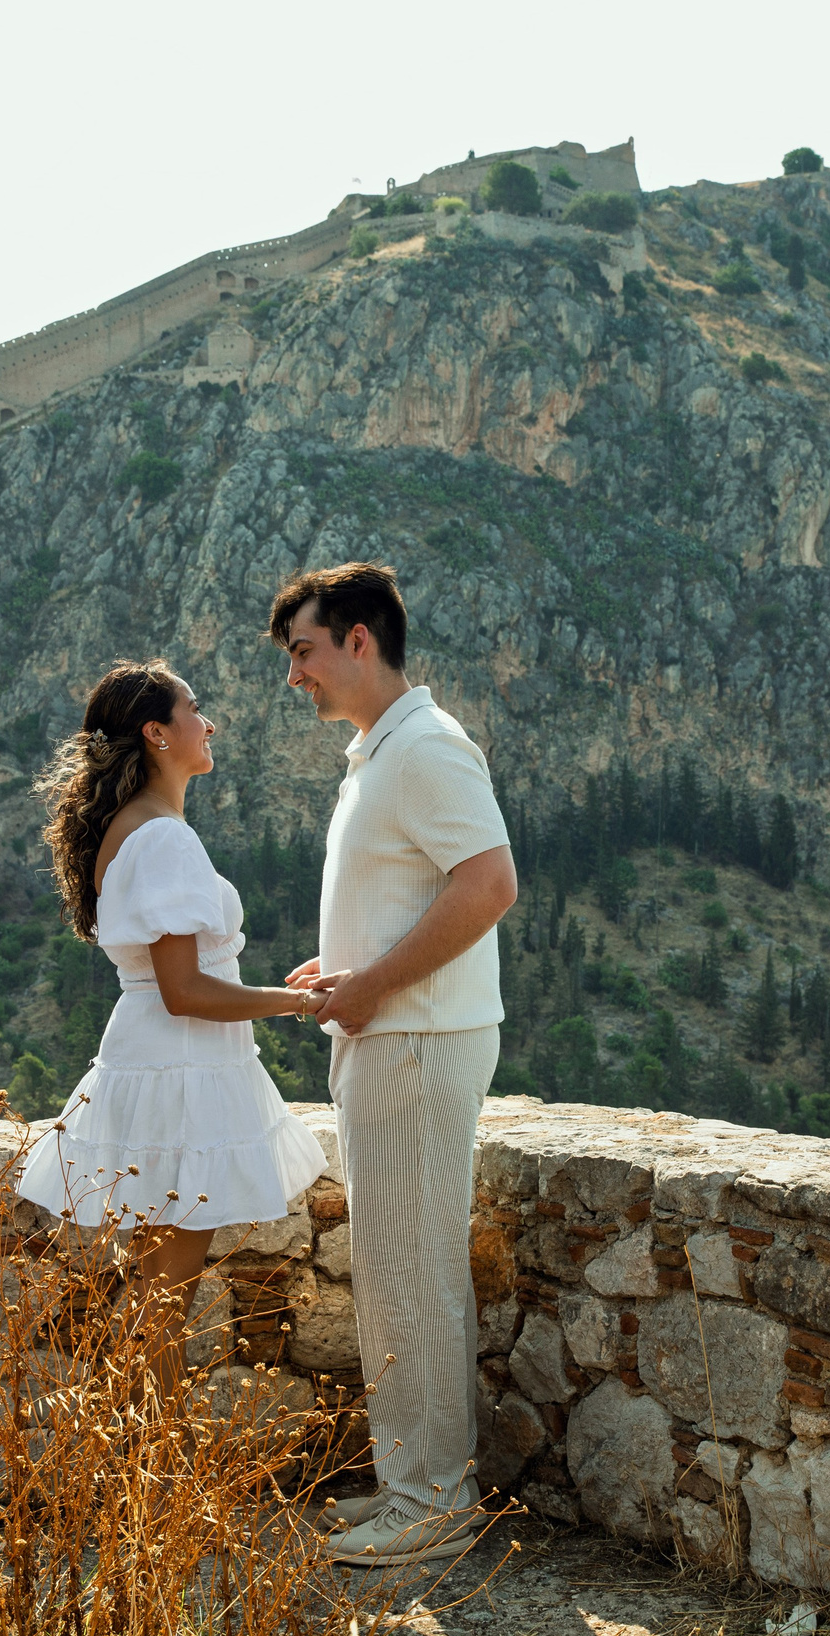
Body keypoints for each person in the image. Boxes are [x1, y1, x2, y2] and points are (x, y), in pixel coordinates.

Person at [270, 563, 519, 1567]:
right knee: (395, 1268)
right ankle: (415, 1484)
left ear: (359, 640)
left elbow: (489, 884)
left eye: (304, 651)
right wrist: (350, 969)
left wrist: (373, 985)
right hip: (395, 1038)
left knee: (412, 1272)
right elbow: (415, 893)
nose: (295, 675)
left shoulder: (425, 747)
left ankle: (432, 1504)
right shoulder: (384, 752)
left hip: (416, 1042)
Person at [18, 658, 331, 1396]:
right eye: (195, 709)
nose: (209, 723)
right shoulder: (163, 838)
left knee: (155, 1297)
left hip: (156, 1061)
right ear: (157, 733)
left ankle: (137, 1452)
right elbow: (184, 990)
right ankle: (155, 1458)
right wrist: (298, 1003)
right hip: (181, 1071)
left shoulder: (131, 829)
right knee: (166, 1304)